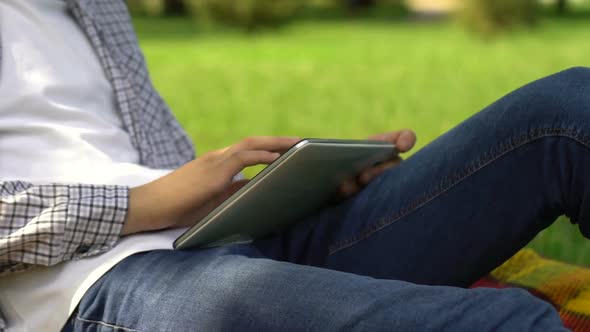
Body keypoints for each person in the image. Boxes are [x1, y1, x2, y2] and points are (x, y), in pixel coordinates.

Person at [0, 0, 585, 331]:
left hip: (215, 241)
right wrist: (147, 203)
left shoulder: (88, 7)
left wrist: (295, 190)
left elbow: (147, 163)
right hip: (94, 286)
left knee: (566, 111)